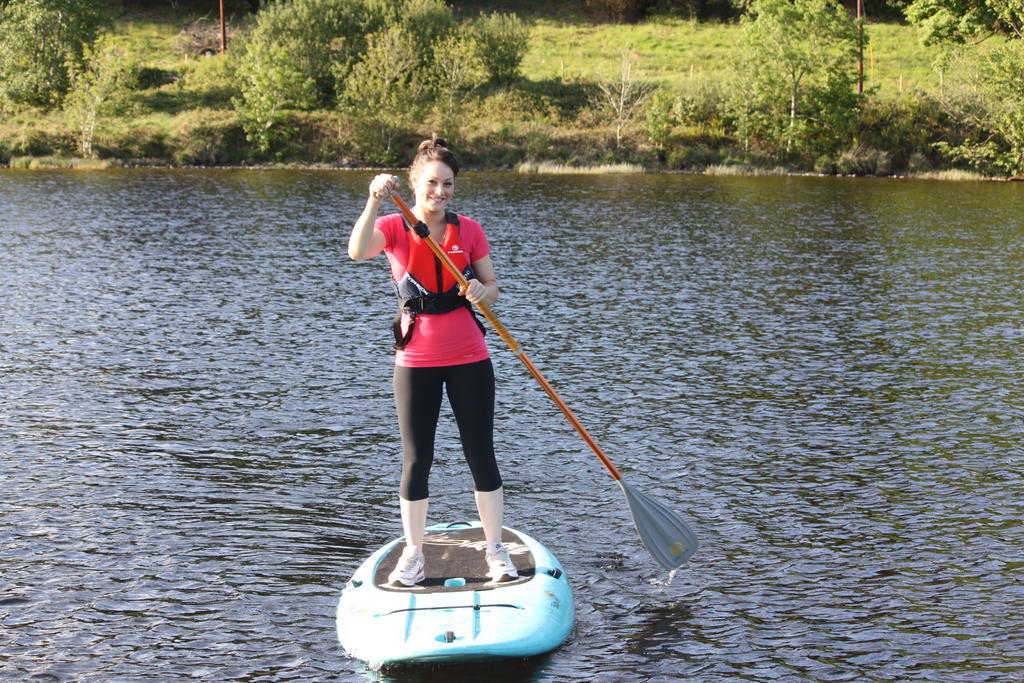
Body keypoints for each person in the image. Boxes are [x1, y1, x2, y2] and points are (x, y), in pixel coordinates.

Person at [348, 136, 518, 587]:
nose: (439, 192)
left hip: (469, 357)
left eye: (447, 184)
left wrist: (484, 292)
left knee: (481, 454)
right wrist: (371, 200)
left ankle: (495, 549)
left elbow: (492, 288)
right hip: (415, 359)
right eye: (431, 183)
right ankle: (414, 554)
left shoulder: (469, 229)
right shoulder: (394, 225)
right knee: (416, 460)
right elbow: (357, 250)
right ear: (414, 182)